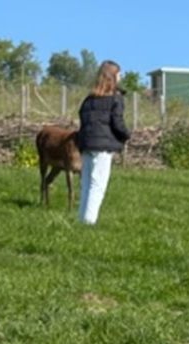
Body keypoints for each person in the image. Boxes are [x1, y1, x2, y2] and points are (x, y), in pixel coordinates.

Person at [75, 60, 129, 225]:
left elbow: (83, 121)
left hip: (86, 145)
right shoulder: (115, 99)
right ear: (112, 77)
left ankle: (81, 219)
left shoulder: (88, 100)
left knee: (86, 183)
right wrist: (126, 135)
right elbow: (117, 123)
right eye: (118, 74)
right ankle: (89, 221)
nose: (120, 77)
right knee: (97, 185)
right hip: (103, 147)